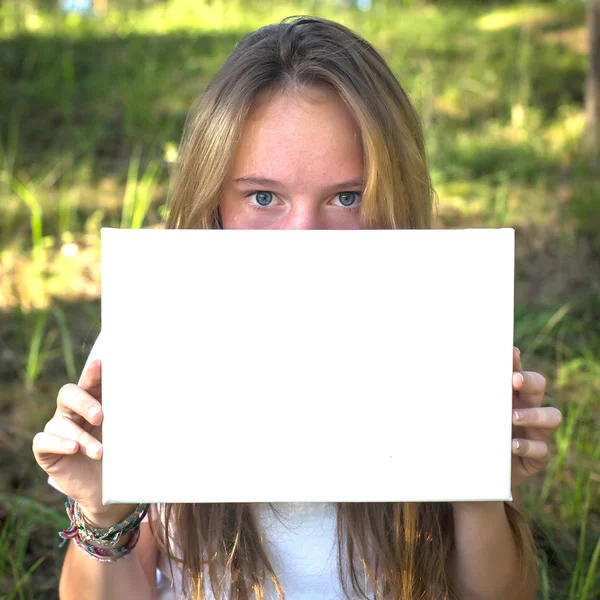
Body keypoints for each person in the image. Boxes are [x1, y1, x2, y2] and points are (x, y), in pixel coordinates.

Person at [33, 15, 563, 600]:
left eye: (347, 197)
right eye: (263, 197)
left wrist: (480, 489)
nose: (303, 238)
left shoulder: (439, 332)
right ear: (214, 203)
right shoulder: (160, 330)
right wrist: (103, 514)